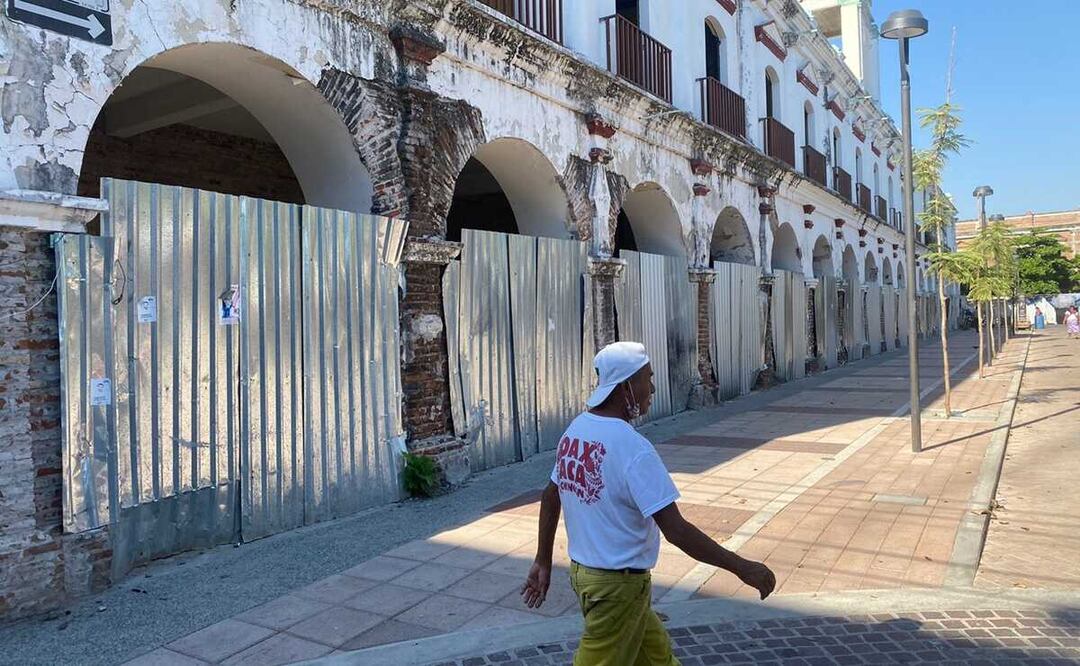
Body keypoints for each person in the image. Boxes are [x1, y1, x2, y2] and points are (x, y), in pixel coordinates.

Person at [521, 342, 776, 665]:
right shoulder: (633, 448)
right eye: (647, 379)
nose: (652, 388)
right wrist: (742, 567)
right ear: (626, 387)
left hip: (588, 576)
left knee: (657, 658)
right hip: (617, 587)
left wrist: (543, 559)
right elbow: (677, 531)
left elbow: (550, 494)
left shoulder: (577, 430)